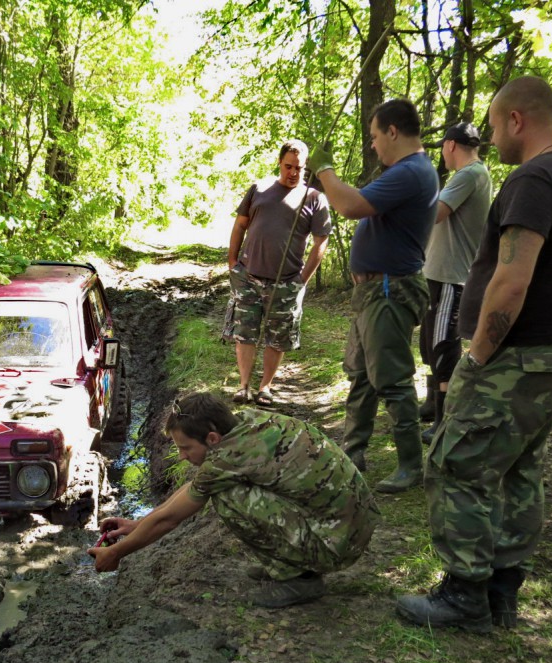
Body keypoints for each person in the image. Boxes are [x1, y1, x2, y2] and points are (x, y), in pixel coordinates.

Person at [396, 76, 552, 633]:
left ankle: (465, 595)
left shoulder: (535, 178)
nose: (491, 137)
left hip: (515, 358)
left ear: (517, 119)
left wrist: (477, 356)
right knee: (519, 466)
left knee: (456, 462)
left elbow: (512, 279)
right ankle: (502, 592)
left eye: (493, 125)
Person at [86, 391, 379, 609]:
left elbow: (171, 519)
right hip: (348, 524)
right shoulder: (249, 422)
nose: (183, 456)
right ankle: (291, 561)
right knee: (218, 487)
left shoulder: (228, 459)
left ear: (212, 438)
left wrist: (117, 553)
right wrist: (137, 525)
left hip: (335, 544)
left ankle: (300, 579)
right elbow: (194, 487)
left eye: (186, 448)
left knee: (227, 497)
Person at [310, 99, 438, 493]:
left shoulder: (412, 171)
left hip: (389, 291)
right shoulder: (407, 171)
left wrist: (325, 170)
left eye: (375, 136)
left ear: (392, 132)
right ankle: (354, 452)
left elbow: (350, 205)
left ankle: (410, 465)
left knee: (392, 380)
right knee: (362, 376)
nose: (373, 144)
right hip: (374, 291)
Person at [225, 140, 331, 408]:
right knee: (245, 333)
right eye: (288, 166)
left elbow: (321, 242)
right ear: (279, 163)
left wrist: (302, 280)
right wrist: (232, 262)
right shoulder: (259, 189)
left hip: (286, 282)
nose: (293, 172)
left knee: (277, 338)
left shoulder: (314, 198)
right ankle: (244, 385)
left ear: (306, 168)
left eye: (299, 168)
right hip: (247, 277)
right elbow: (240, 226)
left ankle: (265, 387)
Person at [418, 122, 493, 443]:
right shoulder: (472, 174)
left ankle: (444, 419)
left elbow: (434, 213)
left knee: (443, 345)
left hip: (452, 277)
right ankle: (432, 403)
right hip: (439, 274)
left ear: (450, 145)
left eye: (443, 149)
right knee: (430, 342)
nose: (443, 155)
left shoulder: (470, 174)